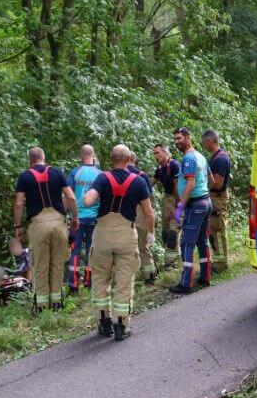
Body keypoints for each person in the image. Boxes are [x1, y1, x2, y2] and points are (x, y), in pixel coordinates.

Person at [83, 145, 155, 340]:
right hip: (125, 236)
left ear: (111, 159)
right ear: (129, 159)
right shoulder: (138, 181)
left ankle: (104, 324)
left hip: (102, 236)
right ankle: (121, 326)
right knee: (124, 281)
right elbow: (149, 212)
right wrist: (151, 233)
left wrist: (86, 194)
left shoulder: (102, 178)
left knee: (100, 280)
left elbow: (88, 201)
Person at [14, 147, 79, 312]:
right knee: (57, 264)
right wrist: (75, 218)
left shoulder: (25, 176)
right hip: (58, 223)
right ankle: (57, 303)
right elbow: (70, 197)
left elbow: (19, 204)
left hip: (38, 225)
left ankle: (41, 306)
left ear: (30, 160)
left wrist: (18, 226)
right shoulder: (56, 173)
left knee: (40, 265)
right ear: (44, 158)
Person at [168, 128, 212, 295]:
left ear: (188, 138)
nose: (177, 141)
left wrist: (181, 206)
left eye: (179, 138)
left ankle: (186, 283)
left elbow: (191, 184)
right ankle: (205, 276)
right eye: (175, 139)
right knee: (202, 240)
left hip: (195, 205)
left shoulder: (188, 158)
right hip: (205, 202)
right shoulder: (201, 156)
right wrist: (204, 196)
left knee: (187, 242)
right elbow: (211, 180)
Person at [66, 145, 101, 295]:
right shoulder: (100, 174)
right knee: (91, 251)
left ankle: (73, 287)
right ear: (93, 155)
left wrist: (68, 215)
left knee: (74, 251)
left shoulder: (75, 173)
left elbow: (69, 196)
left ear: (82, 155)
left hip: (77, 219)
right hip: (94, 218)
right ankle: (89, 283)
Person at [202, 129, 232, 272]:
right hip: (212, 197)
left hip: (217, 198)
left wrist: (202, 183)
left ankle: (221, 264)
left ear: (210, 141)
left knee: (218, 229)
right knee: (212, 229)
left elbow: (218, 184)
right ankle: (217, 261)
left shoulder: (220, 159)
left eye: (204, 142)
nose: (203, 145)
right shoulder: (214, 157)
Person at [128, 151, 156, 285]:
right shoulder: (141, 175)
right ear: (134, 159)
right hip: (141, 211)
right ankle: (149, 275)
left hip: (125, 213)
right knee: (144, 244)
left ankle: (128, 277)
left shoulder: (118, 175)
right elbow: (148, 198)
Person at [152, 144, 181, 267]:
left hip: (177, 200)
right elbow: (150, 183)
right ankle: (173, 257)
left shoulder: (174, 166)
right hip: (167, 200)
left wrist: (180, 207)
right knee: (165, 232)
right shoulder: (160, 168)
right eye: (154, 153)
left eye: (157, 153)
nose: (156, 156)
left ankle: (170, 263)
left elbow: (179, 188)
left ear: (165, 152)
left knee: (173, 232)